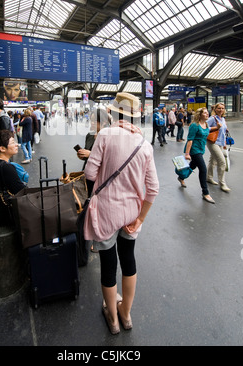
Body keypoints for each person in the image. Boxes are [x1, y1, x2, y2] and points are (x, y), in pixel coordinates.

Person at [84, 92, 159, 334]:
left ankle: (112, 319)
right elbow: (153, 189)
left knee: (108, 264)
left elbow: (89, 174)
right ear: (136, 117)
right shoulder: (145, 145)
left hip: (106, 212)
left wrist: (92, 197)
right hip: (131, 214)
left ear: (112, 113)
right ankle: (126, 314)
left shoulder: (104, 135)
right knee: (129, 260)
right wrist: (140, 219)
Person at [178, 107, 221, 204]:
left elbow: (208, 129)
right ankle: (205, 193)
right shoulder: (194, 125)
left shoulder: (205, 124)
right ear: (200, 115)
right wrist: (187, 154)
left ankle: (181, 177)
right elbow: (190, 140)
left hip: (201, 149)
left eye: (207, 113)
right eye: (205, 113)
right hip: (194, 150)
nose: (207, 114)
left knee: (192, 165)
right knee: (203, 169)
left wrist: (217, 128)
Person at [77, 108, 110, 197]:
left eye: (94, 121)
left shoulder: (109, 138)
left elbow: (109, 159)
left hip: (101, 178)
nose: (91, 123)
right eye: (91, 120)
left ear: (103, 122)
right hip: (87, 175)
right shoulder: (89, 135)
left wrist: (90, 154)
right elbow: (87, 152)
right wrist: (82, 155)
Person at [206, 102, 231, 192]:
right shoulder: (213, 119)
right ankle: (222, 183)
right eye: (219, 108)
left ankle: (209, 177)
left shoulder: (223, 119)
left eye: (222, 108)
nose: (221, 110)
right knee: (222, 162)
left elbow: (223, 133)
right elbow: (204, 127)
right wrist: (216, 127)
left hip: (220, 142)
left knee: (213, 161)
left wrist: (224, 143)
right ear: (215, 109)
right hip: (212, 142)